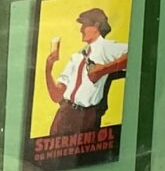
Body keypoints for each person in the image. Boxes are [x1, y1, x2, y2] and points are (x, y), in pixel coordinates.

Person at [43, 8, 128, 140]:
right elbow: (56, 96)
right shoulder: (77, 56)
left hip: (86, 117)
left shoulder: (107, 48)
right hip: (64, 114)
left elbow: (135, 53)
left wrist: (103, 70)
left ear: (96, 26)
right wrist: (48, 70)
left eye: (84, 25)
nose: (81, 29)